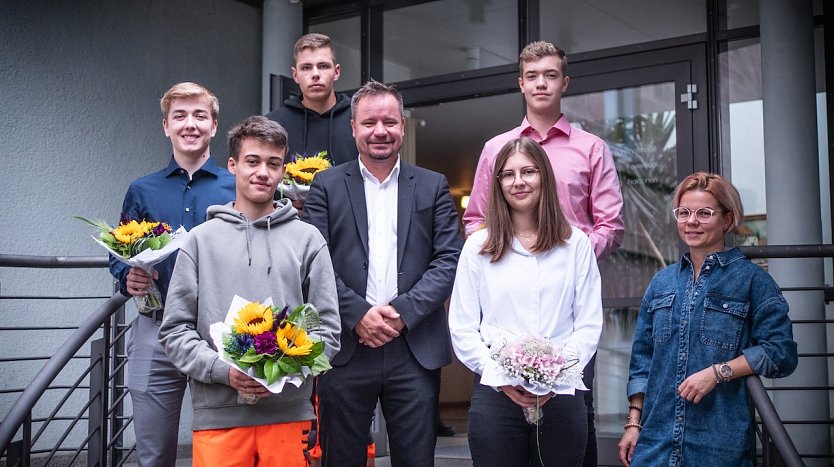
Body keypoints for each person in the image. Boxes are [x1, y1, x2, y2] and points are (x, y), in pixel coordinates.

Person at [462, 40, 623, 466]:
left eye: (550, 75)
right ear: (521, 84)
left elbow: (610, 224)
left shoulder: (591, 148)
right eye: (532, 76)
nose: (541, 83)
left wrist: (571, 255)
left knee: (571, 431)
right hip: (504, 318)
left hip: (565, 317)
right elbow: (475, 219)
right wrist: (507, 250)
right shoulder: (497, 149)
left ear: (564, 83)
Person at [158, 116, 341, 466]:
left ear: (283, 170)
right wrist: (223, 370)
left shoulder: (308, 240)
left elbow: (327, 329)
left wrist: (285, 368)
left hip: (288, 413)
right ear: (233, 165)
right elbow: (175, 331)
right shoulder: (199, 241)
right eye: (252, 161)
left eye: (273, 164)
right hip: (219, 416)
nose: (263, 172)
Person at [302, 80, 463, 467]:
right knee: (342, 459)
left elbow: (449, 260)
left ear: (403, 127)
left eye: (389, 122)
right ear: (353, 127)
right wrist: (358, 315)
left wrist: (402, 313)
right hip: (345, 346)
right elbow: (313, 263)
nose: (380, 131)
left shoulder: (432, 185)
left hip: (414, 346)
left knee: (416, 459)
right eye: (370, 122)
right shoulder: (325, 186)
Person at [617, 172, 798, 467]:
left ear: (726, 220)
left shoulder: (753, 281)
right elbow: (643, 360)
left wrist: (718, 372)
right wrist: (633, 424)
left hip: (718, 447)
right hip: (656, 444)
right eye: (684, 213)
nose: (691, 221)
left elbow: (781, 353)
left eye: (704, 213)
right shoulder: (661, 283)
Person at [449, 137, 603, 467]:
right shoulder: (478, 246)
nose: (518, 181)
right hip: (494, 394)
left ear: (544, 177)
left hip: (562, 393)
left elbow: (589, 324)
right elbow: (462, 326)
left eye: (529, 171)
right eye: (508, 174)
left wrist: (554, 374)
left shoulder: (576, 245)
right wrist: (501, 375)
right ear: (498, 184)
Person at [108, 82, 235, 467]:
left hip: (220, 332)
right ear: (166, 126)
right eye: (180, 116)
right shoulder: (142, 189)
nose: (190, 124)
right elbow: (120, 251)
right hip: (156, 330)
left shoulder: (237, 186)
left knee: (224, 453)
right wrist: (125, 276)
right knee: (153, 453)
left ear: (214, 126)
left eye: (200, 115)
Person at [266, 33, 355, 167]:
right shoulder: (273, 124)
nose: (315, 74)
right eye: (306, 67)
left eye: (323, 66)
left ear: (336, 72)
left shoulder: (358, 118)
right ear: (295, 75)